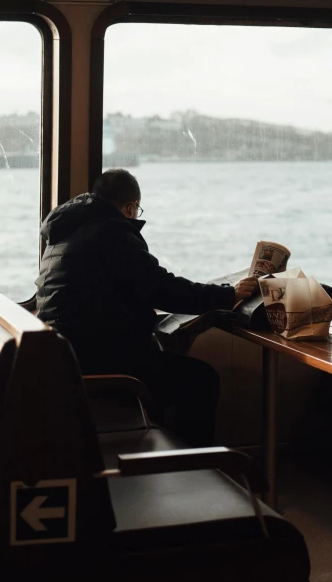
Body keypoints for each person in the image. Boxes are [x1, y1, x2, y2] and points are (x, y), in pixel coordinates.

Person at [35, 168, 257, 447]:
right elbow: (160, 287)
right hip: (101, 362)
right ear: (130, 207)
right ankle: (198, 468)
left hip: (69, 356)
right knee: (202, 380)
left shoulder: (66, 230)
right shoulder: (111, 232)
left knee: (166, 361)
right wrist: (228, 296)